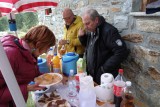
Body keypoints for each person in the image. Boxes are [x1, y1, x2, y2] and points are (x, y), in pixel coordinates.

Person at [0, 25, 56, 107]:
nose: (45, 52)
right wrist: (26, 88)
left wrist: (52, 77)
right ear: (38, 44)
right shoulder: (10, 55)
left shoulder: (29, 52)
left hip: (18, 100)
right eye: (47, 48)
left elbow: (31, 72)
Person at [78, 9, 129, 84]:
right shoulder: (91, 30)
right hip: (95, 75)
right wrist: (82, 37)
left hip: (106, 77)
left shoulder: (109, 31)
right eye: (84, 24)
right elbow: (90, 47)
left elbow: (121, 52)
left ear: (96, 20)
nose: (85, 27)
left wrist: (103, 69)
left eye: (87, 23)